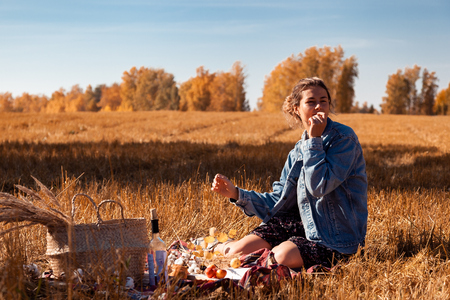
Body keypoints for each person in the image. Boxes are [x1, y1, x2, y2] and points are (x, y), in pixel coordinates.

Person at [211, 77, 368, 270]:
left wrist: (314, 140)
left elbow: (319, 186)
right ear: (297, 108)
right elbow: (278, 200)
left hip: (335, 238)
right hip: (300, 224)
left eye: (324, 101)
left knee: (281, 256)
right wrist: (236, 193)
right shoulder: (297, 151)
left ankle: (272, 254)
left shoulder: (344, 140)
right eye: (311, 102)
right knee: (238, 252)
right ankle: (222, 246)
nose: (319, 107)